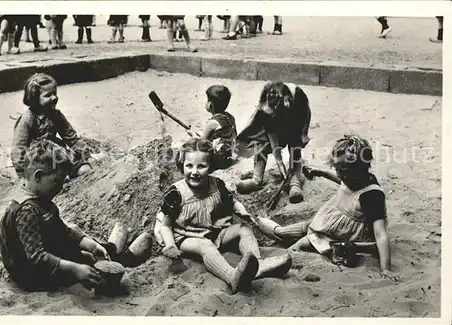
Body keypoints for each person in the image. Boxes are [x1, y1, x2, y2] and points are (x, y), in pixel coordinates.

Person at [0, 139, 152, 291]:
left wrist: (92, 245)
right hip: (30, 274)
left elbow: (63, 231)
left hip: (43, 255)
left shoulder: (40, 199)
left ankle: (108, 250)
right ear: (38, 177)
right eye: (56, 182)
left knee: (79, 242)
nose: (60, 187)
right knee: (87, 266)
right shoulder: (26, 210)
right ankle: (122, 260)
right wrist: (75, 269)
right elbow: (37, 257)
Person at [253, 135, 403, 282]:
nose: (339, 174)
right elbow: (342, 182)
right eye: (336, 169)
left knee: (301, 243)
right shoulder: (352, 178)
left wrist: (386, 268)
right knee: (296, 229)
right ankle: (266, 226)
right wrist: (323, 173)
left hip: (341, 235)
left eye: (342, 171)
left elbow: (381, 233)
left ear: (358, 169)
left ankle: (278, 257)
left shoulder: (371, 195)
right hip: (329, 221)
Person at [153, 138, 292, 294]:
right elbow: (165, 224)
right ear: (182, 166)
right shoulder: (176, 192)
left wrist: (242, 212)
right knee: (205, 246)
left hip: (215, 230)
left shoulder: (217, 185)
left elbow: (232, 202)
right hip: (187, 236)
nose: (194, 172)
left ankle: (258, 264)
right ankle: (232, 276)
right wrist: (170, 245)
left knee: (243, 229)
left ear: (210, 166)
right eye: (189, 166)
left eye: (201, 166)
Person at [236, 81, 311, 204]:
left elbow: (307, 113)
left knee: (295, 144)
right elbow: (271, 135)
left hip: (296, 119)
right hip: (279, 123)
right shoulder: (267, 110)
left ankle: (294, 181)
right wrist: (280, 163)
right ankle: (256, 179)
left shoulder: (297, 96)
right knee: (261, 141)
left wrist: (304, 132)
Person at [11, 73, 95, 183]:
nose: (54, 98)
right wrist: (23, 175)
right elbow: (18, 149)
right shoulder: (27, 119)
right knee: (59, 179)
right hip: (37, 159)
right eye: (48, 95)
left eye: (54, 93)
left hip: (57, 154)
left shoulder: (55, 115)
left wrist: (86, 155)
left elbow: (71, 137)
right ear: (35, 98)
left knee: (85, 169)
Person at [187, 85, 237, 169]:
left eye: (207, 100)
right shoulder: (229, 117)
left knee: (190, 148)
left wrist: (192, 134)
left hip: (218, 160)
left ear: (210, 105)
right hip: (229, 155)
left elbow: (200, 142)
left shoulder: (212, 123)